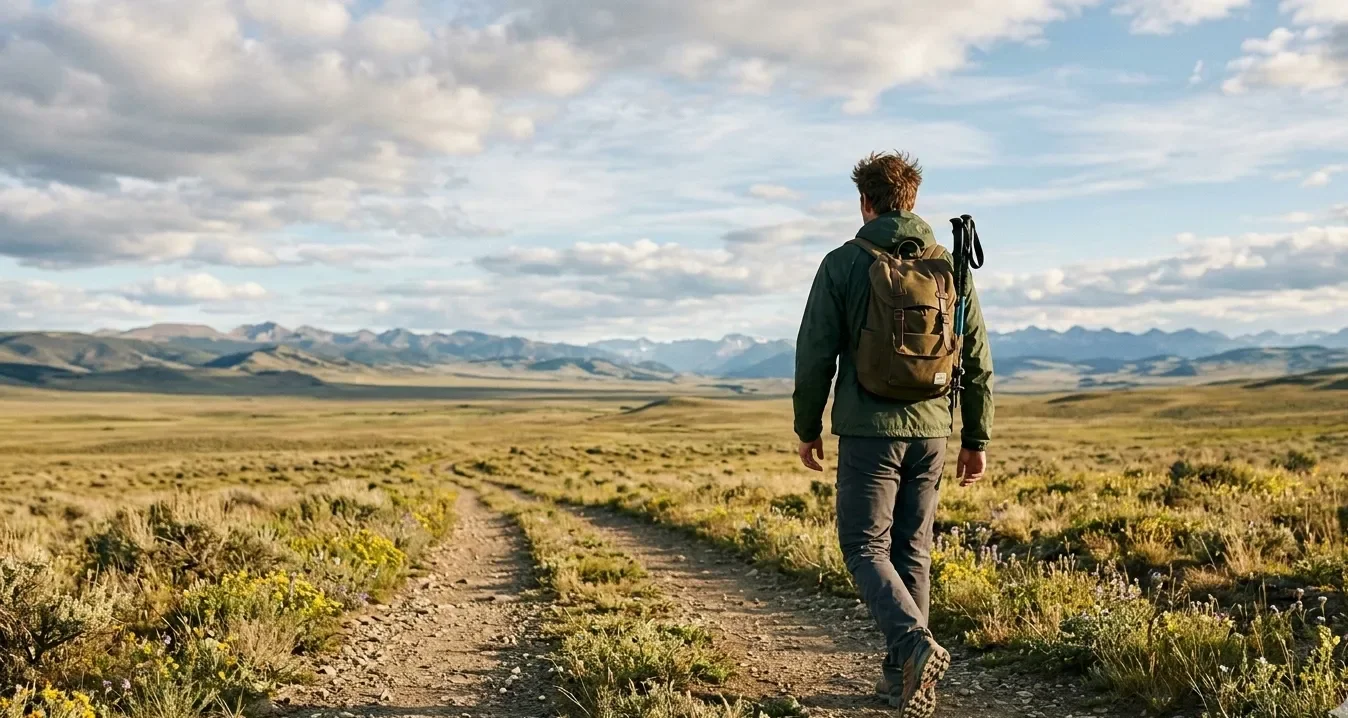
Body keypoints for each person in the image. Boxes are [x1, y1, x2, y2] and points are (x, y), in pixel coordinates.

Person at [792, 151, 994, 717]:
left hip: (868, 429)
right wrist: (976, 437)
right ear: (912, 200)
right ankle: (898, 681)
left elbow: (815, 355)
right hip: (933, 431)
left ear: (865, 202)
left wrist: (807, 426)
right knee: (912, 551)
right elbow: (975, 355)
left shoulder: (842, 263)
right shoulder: (949, 266)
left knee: (862, 547)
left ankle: (912, 646)